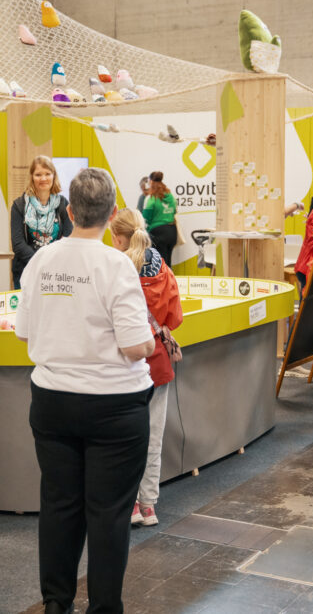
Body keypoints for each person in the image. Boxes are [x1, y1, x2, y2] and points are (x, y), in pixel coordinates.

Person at [15, 168, 154, 614]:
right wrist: (152, 339)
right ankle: (104, 608)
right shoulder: (116, 265)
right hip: (115, 406)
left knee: (59, 506)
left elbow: (24, 333)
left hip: (53, 400)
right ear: (113, 214)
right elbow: (135, 347)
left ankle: (56, 604)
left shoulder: (41, 261)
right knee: (109, 512)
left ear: (69, 211)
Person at [110, 208, 183, 528]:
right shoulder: (162, 268)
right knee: (153, 437)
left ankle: (129, 506)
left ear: (117, 238)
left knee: (124, 439)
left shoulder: (116, 268)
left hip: (125, 364)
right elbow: (175, 318)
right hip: (157, 362)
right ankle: (149, 506)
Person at [10, 156, 73, 289]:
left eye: (47, 174)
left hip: (57, 271)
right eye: (38, 174)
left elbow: (69, 237)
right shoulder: (19, 205)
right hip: (26, 270)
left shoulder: (63, 204)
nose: (43, 178)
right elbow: (18, 244)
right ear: (32, 177)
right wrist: (41, 262)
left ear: (53, 176)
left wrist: (50, 263)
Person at [142, 170, 178, 267]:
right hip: (172, 232)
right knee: (168, 263)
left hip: (158, 233)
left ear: (150, 182)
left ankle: (163, 282)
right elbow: (174, 211)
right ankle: (169, 281)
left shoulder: (151, 198)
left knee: (159, 264)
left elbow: (145, 218)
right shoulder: (170, 196)